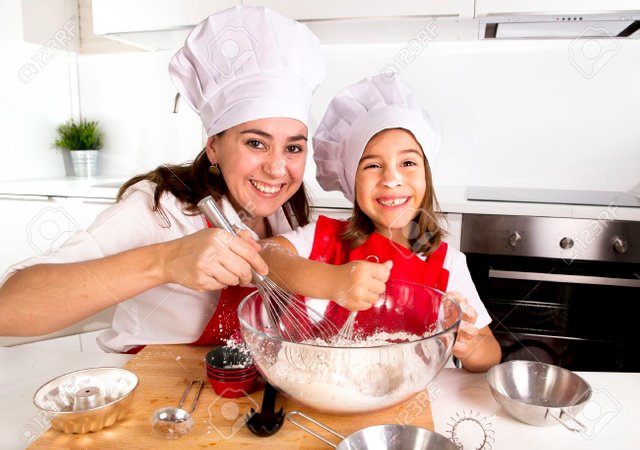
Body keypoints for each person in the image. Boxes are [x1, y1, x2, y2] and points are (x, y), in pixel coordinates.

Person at [0, 5, 325, 352]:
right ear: (214, 146)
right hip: (154, 394)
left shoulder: (288, 212)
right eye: (256, 143)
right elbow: (9, 308)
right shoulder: (158, 208)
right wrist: (165, 262)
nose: (277, 169)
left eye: (293, 148)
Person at [260, 74, 501, 372]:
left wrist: (470, 344)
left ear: (426, 174)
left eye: (408, 163)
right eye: (373, 165)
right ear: (351, 179)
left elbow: (490, 354)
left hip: (411, 401)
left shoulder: (446, 263)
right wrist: (333, 282)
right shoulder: (323, 238)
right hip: (324, 392)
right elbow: (264, 255)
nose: (391, 180)